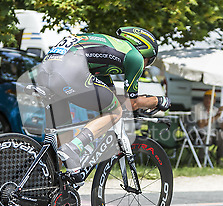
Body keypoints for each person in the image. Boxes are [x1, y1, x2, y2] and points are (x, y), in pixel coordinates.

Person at [35, 27, 171, 182]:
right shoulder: (135, 57)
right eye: (149, 61)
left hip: (45, 71)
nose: (145, 66)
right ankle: (74, 148)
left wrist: (129, 102)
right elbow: (131, 104)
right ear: (145, 50)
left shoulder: (106, 57)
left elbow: (111, 97)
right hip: (68, 70)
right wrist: (158, 101)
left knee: (62, 139)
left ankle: (48, 189)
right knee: (115, 112)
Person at [191, 90, 223, 165]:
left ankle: (219, 159)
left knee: (222, 135)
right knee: (204, 137)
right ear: (204, 98)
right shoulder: (197, 108)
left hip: (211, 133)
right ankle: (201, 161)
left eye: (211, 98)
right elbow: (200, 124)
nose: (209, 100)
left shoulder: (215, 110)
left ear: (214, 100)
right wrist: (215, 117)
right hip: (197, 133)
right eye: (207, 98)